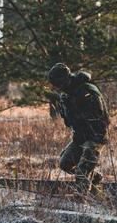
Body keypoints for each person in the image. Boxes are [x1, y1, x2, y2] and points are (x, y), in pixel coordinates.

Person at [47, 63, 110, 193]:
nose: (58, 88)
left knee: (82, 172)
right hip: (80, 137)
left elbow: (98, 116)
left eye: (59, 84)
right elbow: (69, 122)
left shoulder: (87, 90)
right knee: (65, 164)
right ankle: (94, 178)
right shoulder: (66, 95)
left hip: (95, 136)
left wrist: (75, 108)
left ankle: (88, 200)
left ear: (66, 79)